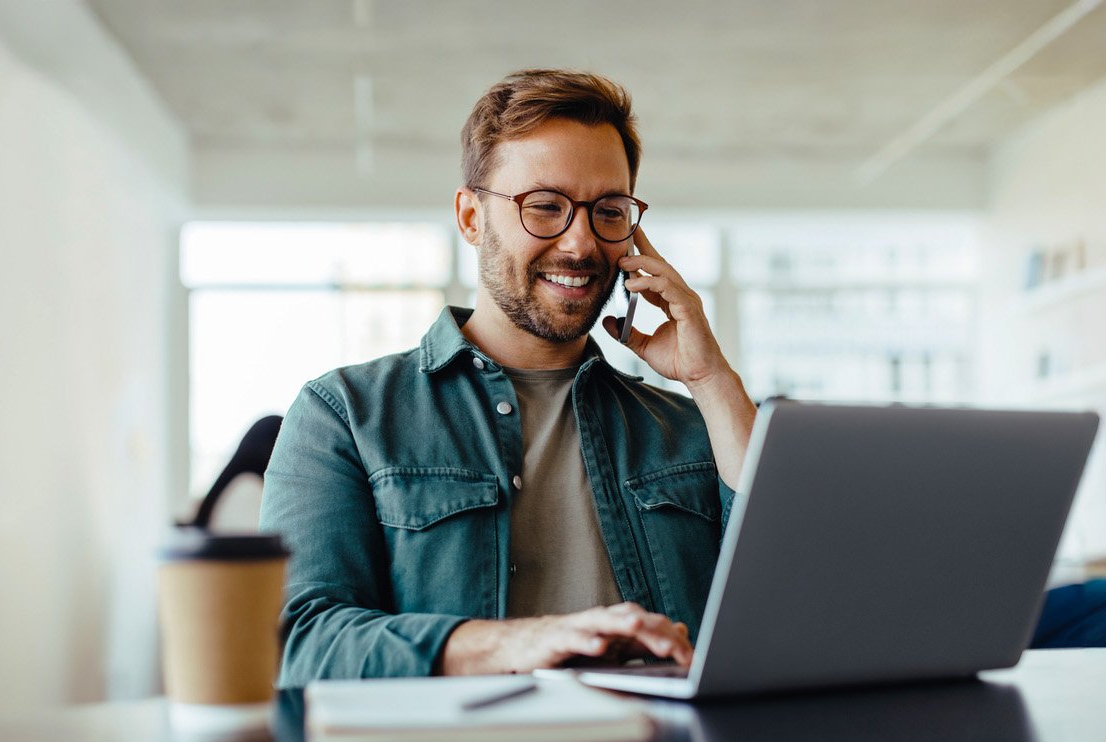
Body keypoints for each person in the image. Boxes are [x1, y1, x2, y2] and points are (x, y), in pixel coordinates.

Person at [260, 69, 757, 685]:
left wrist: (711, 379)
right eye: (545, 206)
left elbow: (791, 602)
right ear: (471, 217)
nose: (580, 244)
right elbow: (298, 642)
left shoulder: (691, 428)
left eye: (608, 211)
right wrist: (520, 642)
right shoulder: (344, 415)